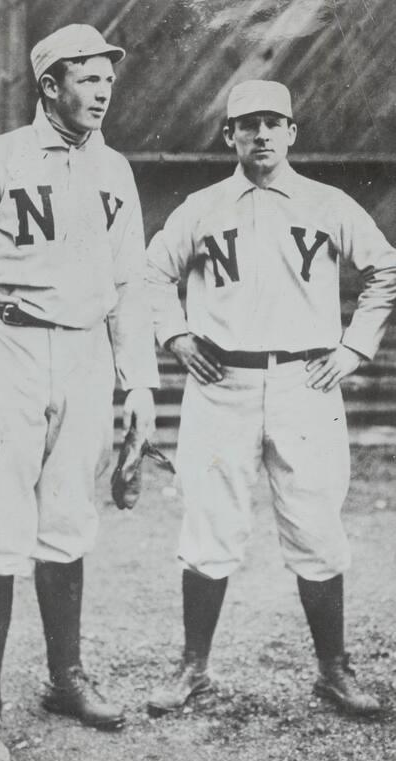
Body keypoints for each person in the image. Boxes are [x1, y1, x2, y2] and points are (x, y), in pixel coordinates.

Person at [0, 24, 159, 761]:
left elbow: (131, 284)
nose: (101, 92)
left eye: (106, 79)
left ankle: (65, 679)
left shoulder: (115, 170)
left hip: (85, 355)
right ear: (48, 85)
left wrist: (139, 383)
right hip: (6, 349)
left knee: (67, 521)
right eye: (85, 78)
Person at [145, 79, 396, 718]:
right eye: (247, 124)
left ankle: (333, 671)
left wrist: (353, 349)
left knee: (316, 524)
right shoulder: (201, 208)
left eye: (273, 123)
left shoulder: (327, 202)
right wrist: (174, 335)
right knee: (208, 526)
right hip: (219, 382)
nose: (261, 134)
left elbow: (385, 270)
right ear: (228, 134)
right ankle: (193, 668)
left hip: (305, 382)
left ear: (291, 133)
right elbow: (150, 275)